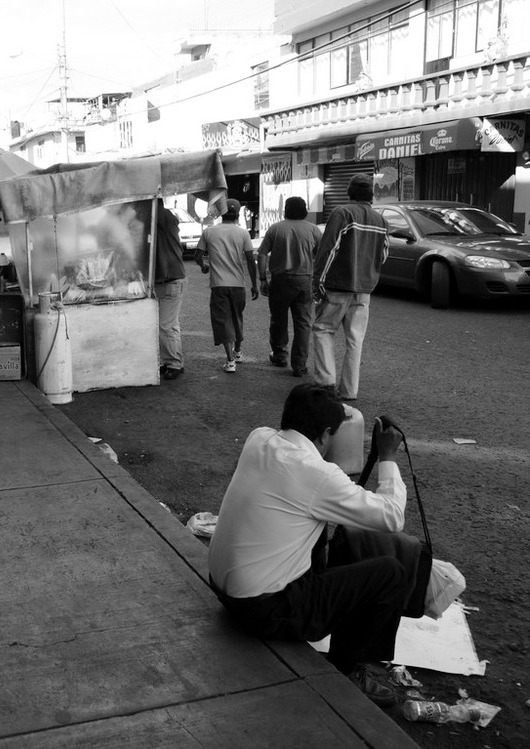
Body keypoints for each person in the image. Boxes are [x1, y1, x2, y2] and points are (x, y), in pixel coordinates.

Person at [207, 383, 410, 705]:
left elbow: (307, 486)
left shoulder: (258, 437)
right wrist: (386, 458)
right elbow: (391, 517)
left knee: (316, 527)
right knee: (391, 573)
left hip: (223, 589)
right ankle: (347, 669)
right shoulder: (318, 474)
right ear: (327, 433)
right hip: (263, 610)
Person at [310, 173, 389, 401]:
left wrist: (318, 281)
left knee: (323, 330)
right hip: (364, 290)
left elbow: (329, 249)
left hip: (338, 286)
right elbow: (383, 255)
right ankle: (349, 391)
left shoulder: (343, 213)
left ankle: (325, 383)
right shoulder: (380, 220)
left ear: (349, 192)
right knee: (355, 340)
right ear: (371, 195)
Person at [257, 196, 321, 377]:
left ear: (285, 210)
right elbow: (322, 256)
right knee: (303, 324)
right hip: (304, 281)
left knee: (278, 320)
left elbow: (262, 254)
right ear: (304, 210)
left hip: (280, 281)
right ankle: (299, 365)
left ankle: (279, 355)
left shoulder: (276, 229)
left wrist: (262, 278)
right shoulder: (313, 230)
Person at [198, 198, 258, 373]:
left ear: (222, 213)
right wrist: (255, 284)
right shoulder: (243, 233)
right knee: (237, 317)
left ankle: (230, 360)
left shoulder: (209, 232)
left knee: (224, 321)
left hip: (218, 285)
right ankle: (238, 352)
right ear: (238, 215)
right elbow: (249, 260)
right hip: (238, 285)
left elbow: (198, 255)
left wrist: (204, 266)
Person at [154, 199, 186, 380]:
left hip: (170, 280)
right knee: (171, 324)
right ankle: (172, 362)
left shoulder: (161, 216)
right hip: (171, 279)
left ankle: (173, 363)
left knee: (164, 325)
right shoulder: (166, 217)